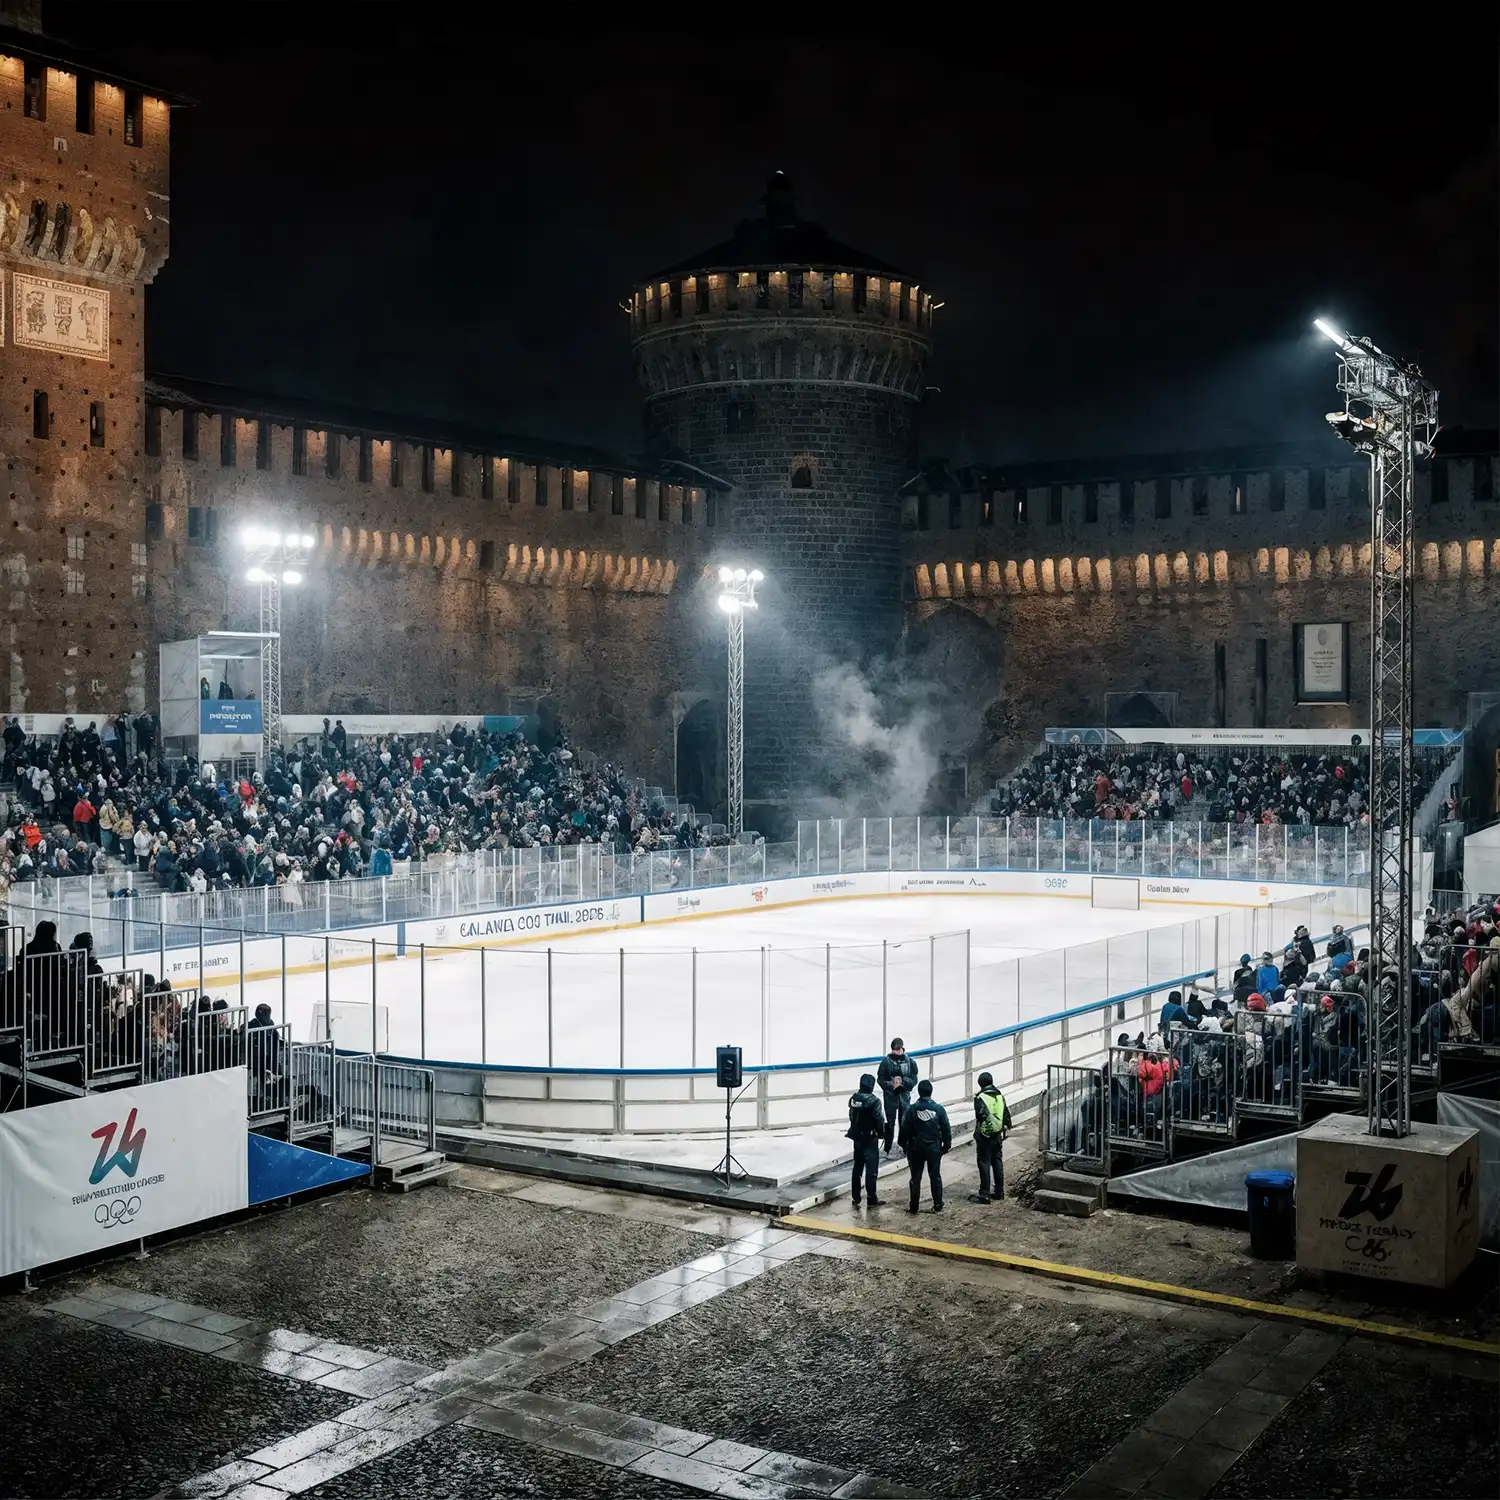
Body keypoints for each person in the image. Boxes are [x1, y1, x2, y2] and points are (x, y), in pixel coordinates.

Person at [899, 1077, 950, 1213]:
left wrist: (904, 1145)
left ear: (919, 1092)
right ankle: (938, 1204)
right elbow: (946, 1129)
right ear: (931, 1092)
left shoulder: (911, 1110)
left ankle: (914, 1206)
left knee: (915, 1178)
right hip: (934, 1148)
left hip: (916, 1148)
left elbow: (904, 1129)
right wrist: (945, 1146)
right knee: (935, 1176)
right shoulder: (939, 1110)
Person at [968, 1071, 1013, 1204]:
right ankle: (999, 1192)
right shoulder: (999, 1095)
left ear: (980, 1084)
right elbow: (1006, 1113)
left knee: (984, 1162)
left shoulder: (980, 1097)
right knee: (997, 1161)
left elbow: (980, 1116)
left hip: (985, 1135)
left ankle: (985, 1193)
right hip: (997, 1134)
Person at [845, 1071, 886, 1209]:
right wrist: (881, 1132)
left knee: (857, 1167)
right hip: (869, 1138)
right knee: (871, 1169)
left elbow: (851, 1115)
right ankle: (871, 1197)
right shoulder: (874, 1101)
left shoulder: (853, 1099)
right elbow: (879, 1119)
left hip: (856, 1137)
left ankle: (856, 1197)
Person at [877, 1036, 918, 1155]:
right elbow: (880, 1079)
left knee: (904, 1121)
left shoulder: (910, 1062)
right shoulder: (886, 1062)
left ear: (902, 1049)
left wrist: (904, 1084)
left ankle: (904, 1145)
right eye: (893, 1051)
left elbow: (914, 1079)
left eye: (897, 1050)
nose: (895, 1053)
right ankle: (887, 1146)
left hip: (904, 1097)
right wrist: (891, 1086)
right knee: (890, 1122)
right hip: (891, 1097)